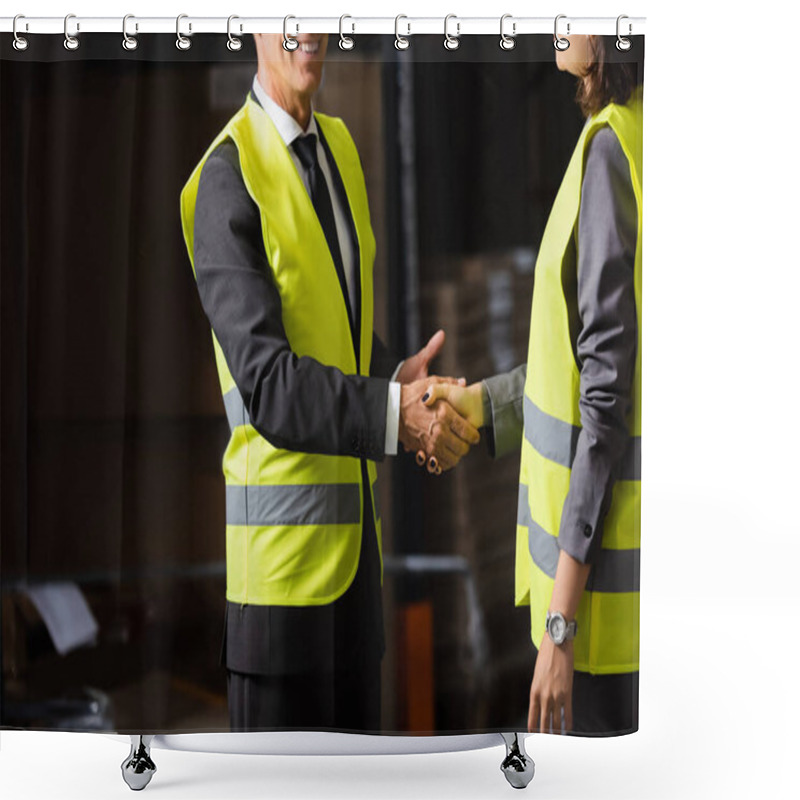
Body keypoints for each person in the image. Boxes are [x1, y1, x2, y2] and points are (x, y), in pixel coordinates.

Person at [179, 32, 479, 733]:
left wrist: (392, 377)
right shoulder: (226, 178)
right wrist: (390, 412)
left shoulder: (340, 147)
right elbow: (270, 384)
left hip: (354, 591)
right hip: (279, 600)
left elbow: (329, 330)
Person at [423, 33, 642, 735]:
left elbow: (605, 403)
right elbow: (575, 369)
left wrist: (560, 624)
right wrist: (481, 406)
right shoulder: (639, 137)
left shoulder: (610, 154)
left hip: (602, 617)